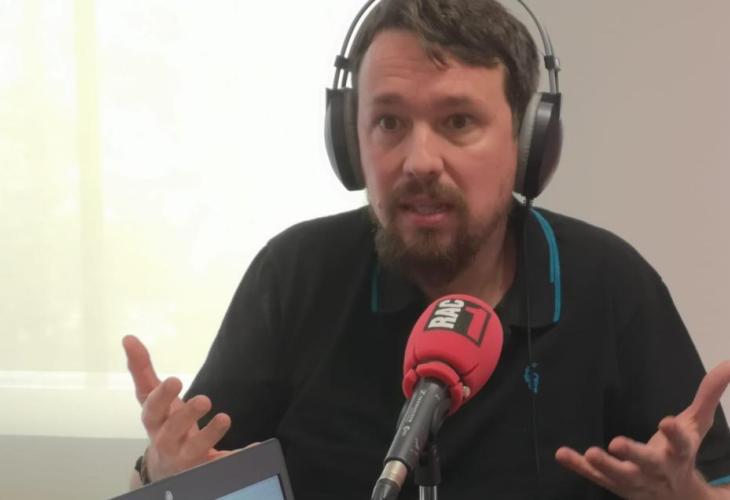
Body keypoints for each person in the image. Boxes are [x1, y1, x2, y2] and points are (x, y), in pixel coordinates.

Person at [123, 0, 730, 498]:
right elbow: (199, 477)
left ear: (526, 143)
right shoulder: (295, 277)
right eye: (389, 122)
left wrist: (694, 499)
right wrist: (160, 474)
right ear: (351, 142)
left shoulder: (609, 285)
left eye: (458, 121)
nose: (419, 161)